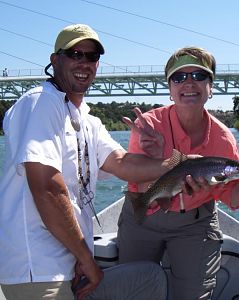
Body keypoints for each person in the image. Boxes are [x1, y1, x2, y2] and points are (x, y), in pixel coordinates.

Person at [0, 23, 182, 300]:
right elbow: (47, 187)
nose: (84, 62)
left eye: (92, 56)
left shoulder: (87, 120)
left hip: (72, 267)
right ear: (55, 60)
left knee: (150, 278)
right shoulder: (40, 103)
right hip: (38, 269)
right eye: (75, 54)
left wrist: (175, 164)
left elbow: (121, 162)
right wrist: (86, 258)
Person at [117, 46, 239, 300]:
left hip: (196, 223)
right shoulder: (148, 126)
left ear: (211, 87)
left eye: (199, 76)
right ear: (170, 89)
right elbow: (139, 189)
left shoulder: (224, 139)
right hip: (145, 215)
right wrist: (159, 158)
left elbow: (235, 200)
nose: (189, 83)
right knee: (132, 289)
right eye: (179, 77)